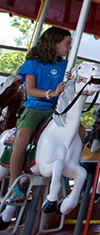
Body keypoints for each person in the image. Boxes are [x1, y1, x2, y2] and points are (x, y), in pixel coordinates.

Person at [7, 27, 72, 201]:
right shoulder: (33, 64)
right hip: (35, 107)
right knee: (22, 138)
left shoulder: (66, 65)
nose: (70, 48)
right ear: (54, 43)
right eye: (67, 43)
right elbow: (31, 90)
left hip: (55, 110)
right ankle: (14, 185)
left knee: (76, 134)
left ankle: (64, 176)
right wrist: (51, 93)